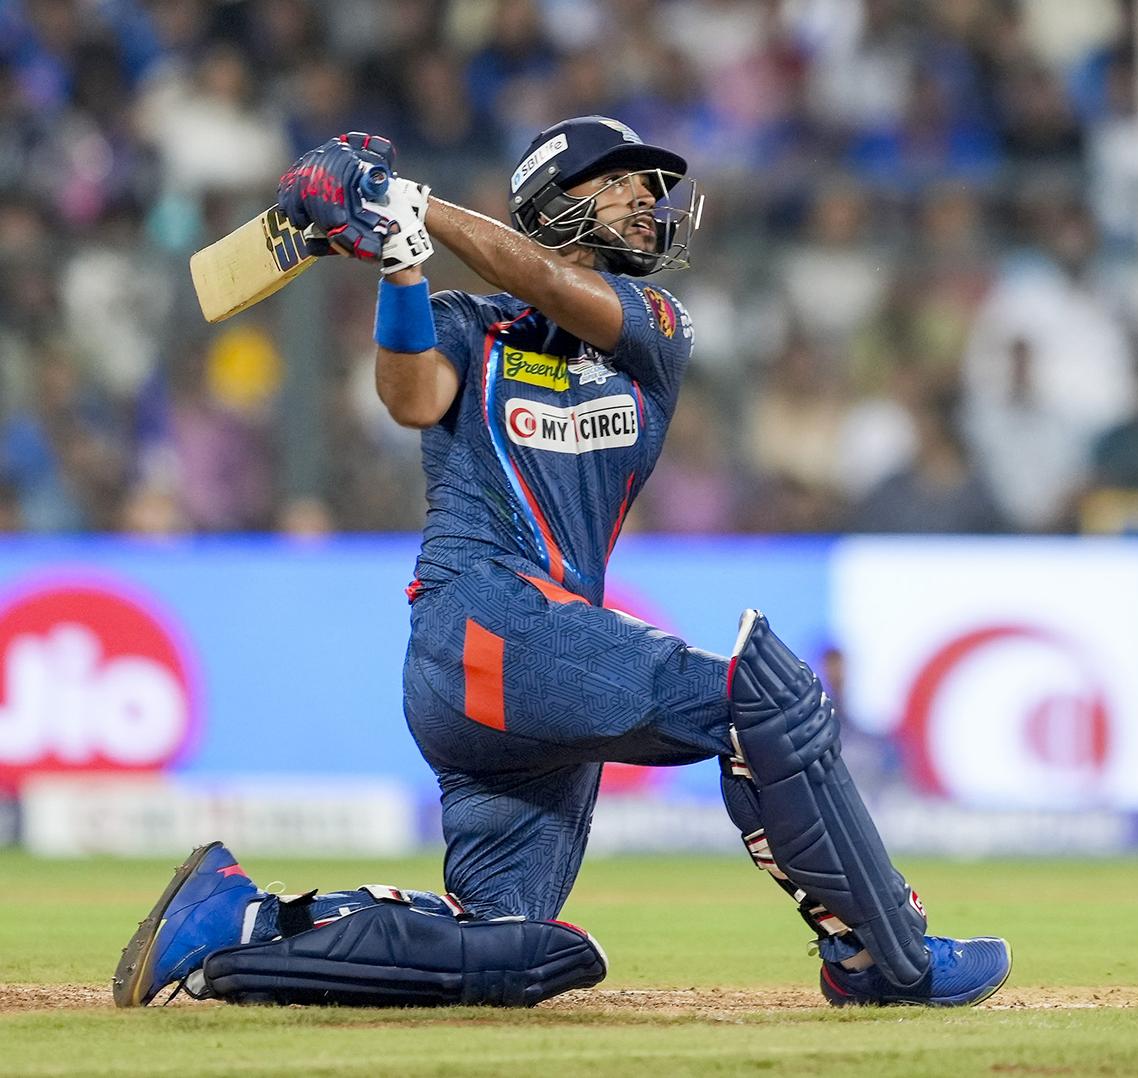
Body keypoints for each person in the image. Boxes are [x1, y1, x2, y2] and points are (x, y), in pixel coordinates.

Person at [114, 118, 1011, 1010]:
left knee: (510, 945)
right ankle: (889, 959)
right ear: (552, 201)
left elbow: (547, 283)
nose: (646, 200)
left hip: (528, 661)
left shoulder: (656, 327)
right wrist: (400, 258)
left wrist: (408, 204)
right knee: (764, 697)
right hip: (485, 619)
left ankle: (236, 929)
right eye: (618, 181)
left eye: (650, 186)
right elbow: (411, 396)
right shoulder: (473, 327)